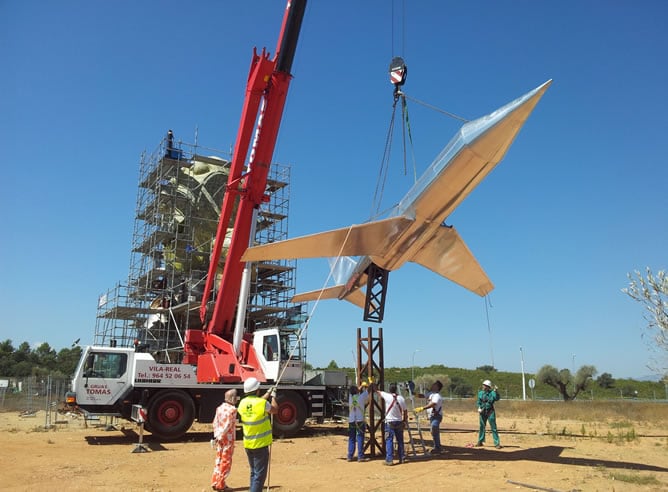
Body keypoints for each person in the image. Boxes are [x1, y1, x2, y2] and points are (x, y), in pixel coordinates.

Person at [238, 377, 278, 492]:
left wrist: (268, 393)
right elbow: (274, 410)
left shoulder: (242, 403)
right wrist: (274, 396)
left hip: (248, 444)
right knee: (259, 476)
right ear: (257, 390)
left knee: (254, 472)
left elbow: (257, 403)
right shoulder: (262, 403)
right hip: (260, 444)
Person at [374, 383, 408, 465]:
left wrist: (372, 383)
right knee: (400, 441)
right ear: (396, 389)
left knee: (389, 440)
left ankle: (389, 459)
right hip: (399, 421)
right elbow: (405, 411)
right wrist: (404, 421)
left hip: (389, 422)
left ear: (389, 389)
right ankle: (402, 458)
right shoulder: (401, 398)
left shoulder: (387, 396)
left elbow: (377, 391)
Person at [211, 389, 238, 491]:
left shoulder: (219, 408)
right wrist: (222, 434)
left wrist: (217, 435)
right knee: (226, 461)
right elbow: (228, 425)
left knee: (218, 459)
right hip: (228, 438)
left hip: (219, 437)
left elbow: (215, 422)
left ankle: (215, 481)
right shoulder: (232, 410)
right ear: (232, 398)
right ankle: (221, 484)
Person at [415, 380, 444, 454]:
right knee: (433, 431)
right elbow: (422, 396)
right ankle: (437, 446)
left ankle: (438, 447)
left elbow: (433, 404)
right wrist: (413, 393)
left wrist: (422, 408)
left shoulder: (437, 396)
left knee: (434, 427)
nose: (432, 385)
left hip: (437, 416)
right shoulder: (431, 394)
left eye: (434, 385)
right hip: (432, 416)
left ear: (437, 387)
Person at [347, 383, 369, 462]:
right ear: (357, 391)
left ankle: (350, 456)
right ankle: (360, 456)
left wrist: (361, 386)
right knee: (360, 438)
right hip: (360, 421)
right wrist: (366, 385)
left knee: (352, 438)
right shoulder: (361, 397)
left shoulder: (350, 398)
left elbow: (354, 391)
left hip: (352, 421)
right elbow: (368, 391)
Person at [476, 379, 501, 448]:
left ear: (487, 387)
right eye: (483, 385)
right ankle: (480, 441)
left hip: (490, 411)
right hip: (482, 412)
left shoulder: (492, 393)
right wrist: (479, 408)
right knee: (482, 426)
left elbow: (497, 398)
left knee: (493, 427)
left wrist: (496, 392)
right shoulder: (480, 393)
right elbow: (478, 401)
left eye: (484, 385)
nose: (483, 386)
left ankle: (497, 443)